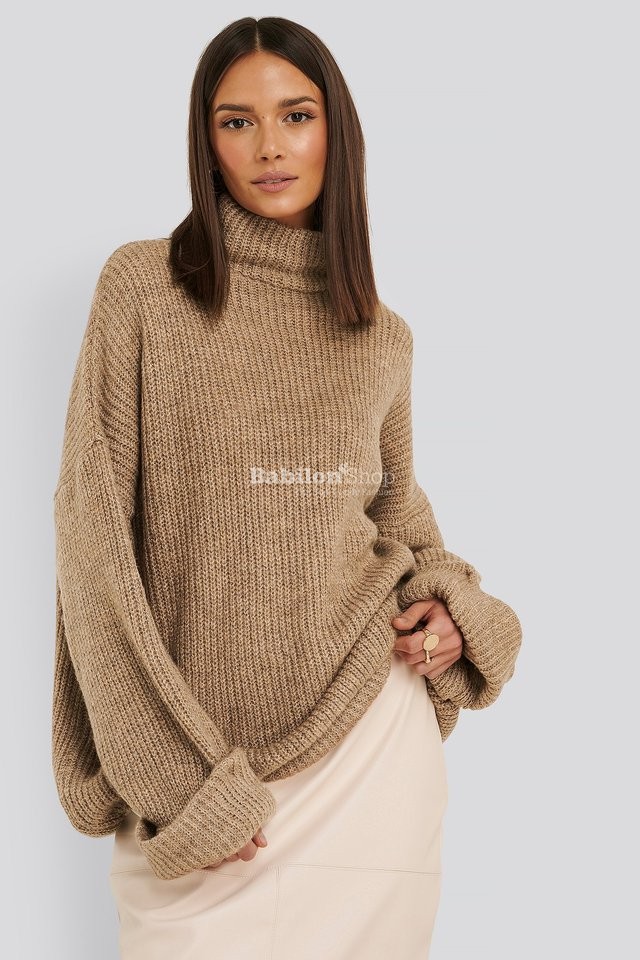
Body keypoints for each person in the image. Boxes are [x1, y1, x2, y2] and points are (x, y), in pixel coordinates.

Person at [51, 15, 522, 959]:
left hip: (372, 760)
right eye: (237, 121)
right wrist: (179, 781)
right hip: (204, 785)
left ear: (335, 131)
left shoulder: (379, 334)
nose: (269, 146)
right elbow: (90, 539)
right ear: (206, 143)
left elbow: (398, 518)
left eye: (296, 115)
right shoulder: (144, 290)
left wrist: (454, 610)